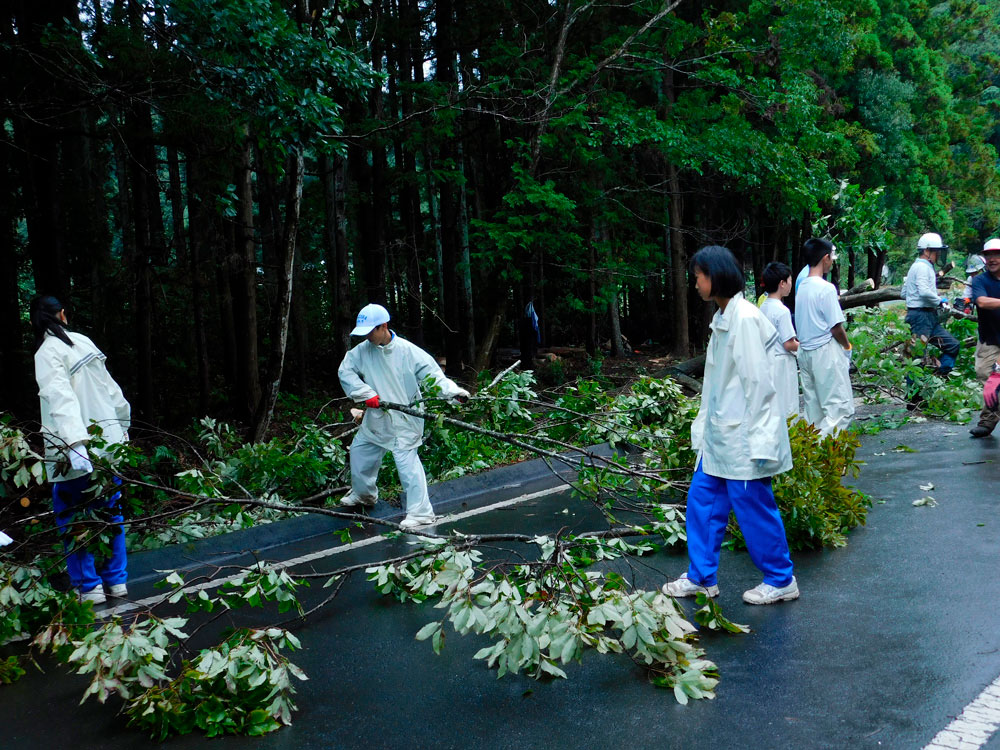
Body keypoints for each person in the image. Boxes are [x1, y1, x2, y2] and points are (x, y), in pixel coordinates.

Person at [663, 246, 798, 606]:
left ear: (716, 276)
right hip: (722, 437)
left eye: (698, 276)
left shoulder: (745, 320)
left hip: (744, 438)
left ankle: (781, 580)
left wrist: (763, 441)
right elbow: (716, 386)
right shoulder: (724, 318)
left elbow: (760, 387)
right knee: (702, 503)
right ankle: (701, 577)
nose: (695, 283)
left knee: (753, 509)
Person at [31, 296, 131, 606]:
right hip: (107, 442)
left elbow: (60, 398)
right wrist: (123, 426)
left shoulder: (47, 352)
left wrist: (75, 444)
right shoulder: (83, 342)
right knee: (110, 511)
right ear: (62, 315)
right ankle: (116, 580)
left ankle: (89, 587)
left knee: (72, 515)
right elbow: (112, 389)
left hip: (75, 449)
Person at [338, 303, 470, 530]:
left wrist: (454, 393)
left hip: (406, 419)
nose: (367, 337)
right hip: (377, 417)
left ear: (383, 326)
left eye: (371, 331)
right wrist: (365, 393)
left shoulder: (408, 351)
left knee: (407, 465)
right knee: (360, 451)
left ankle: (421, 513)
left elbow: (433, 375)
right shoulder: (361, 351)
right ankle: (364, 495)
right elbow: (345, 371)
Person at [796, 238, 854, 435]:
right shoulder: (826, 288)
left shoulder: (802, 286)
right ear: (825, 258)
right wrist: (847, 346)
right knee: (841, 411)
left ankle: (812, 451)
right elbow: (836, 327)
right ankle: (826, 448)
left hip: (805, 352)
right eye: (831, 259)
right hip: (824, 351)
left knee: (815, 413)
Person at [901, 232, 959, 376]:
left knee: (952, 345)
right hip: (920, 317)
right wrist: (940, 300)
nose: (938, 255)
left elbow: (904, 293)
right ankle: (914, 390)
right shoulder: (922, 267)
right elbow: (924, 292)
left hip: (928, 316)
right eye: (936, 251)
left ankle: (936, 377)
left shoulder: (920, 266)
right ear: (927, 251)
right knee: (917, 357)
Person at [760, 262, 800, 417]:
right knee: (787, 405)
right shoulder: (782, 311)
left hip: (767, 361)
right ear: (782, 283)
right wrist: (807, 346)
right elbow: (789, 343)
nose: (791, 284)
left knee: (772, 407)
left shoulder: (763, 307)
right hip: (782, 363)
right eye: (789, 281)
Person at [969, 239, 1000, 438]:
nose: (992, 259)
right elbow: (981, 301)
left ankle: (987, 421)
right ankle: (991, 417)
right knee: (987, 376)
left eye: (996, 255)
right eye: (988, 255)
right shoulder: (980, 280)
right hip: (989, 339)